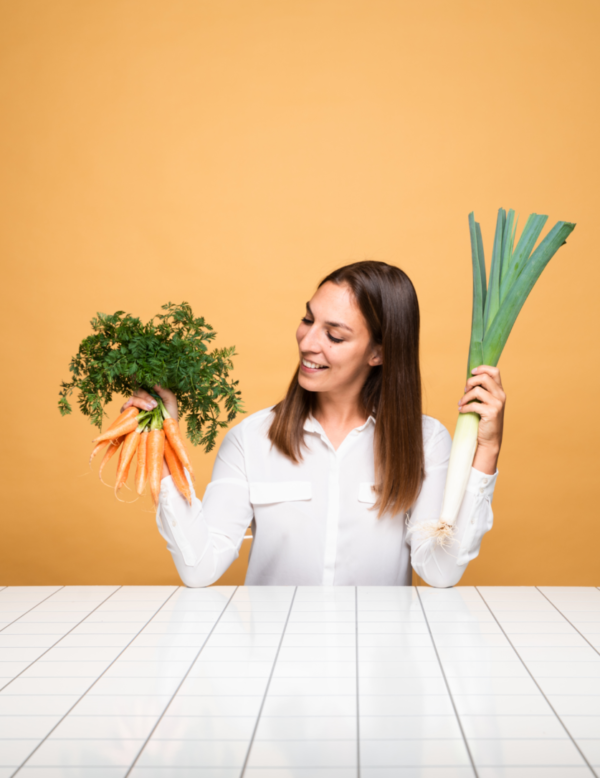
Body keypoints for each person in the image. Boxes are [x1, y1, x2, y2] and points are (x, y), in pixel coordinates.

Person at [123, 261, 505, 587]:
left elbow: (439, 570)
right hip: (274, 662)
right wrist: (164, 444)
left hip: (376, 668)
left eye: (334, 335)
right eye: (308, 319)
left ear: (378, 352)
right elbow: (199, 566)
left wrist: (486, 450)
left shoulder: (426, 442)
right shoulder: (251, 439)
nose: (308, 342)